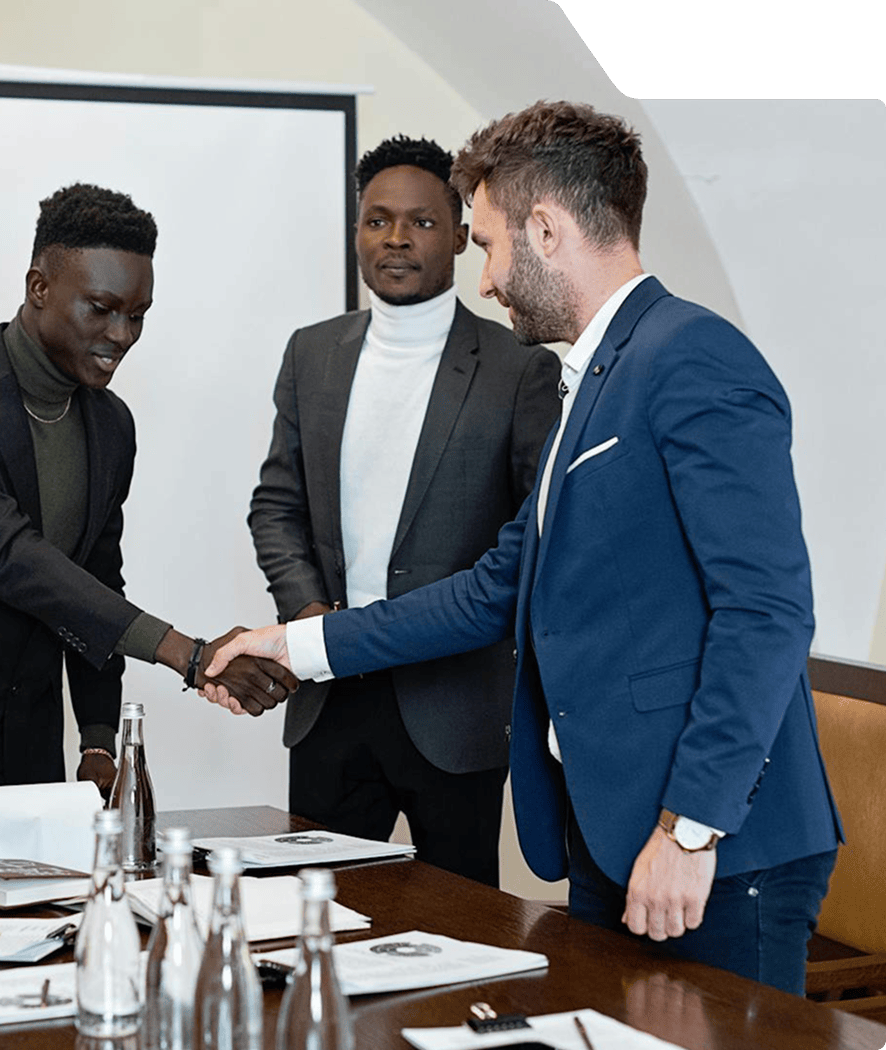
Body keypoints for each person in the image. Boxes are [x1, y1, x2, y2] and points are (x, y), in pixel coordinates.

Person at [206, 101, 842, 994]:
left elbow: (766, 611)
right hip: (612, 832)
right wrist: (295, 645)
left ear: (546, 230)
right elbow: (493, 588)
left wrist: (691, 828)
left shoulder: (693, 356)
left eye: (491, 246)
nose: (488, 279)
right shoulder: (593, 375)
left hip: (715, 849)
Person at [0, 183, 296, 832]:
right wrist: (187, 654)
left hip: (25, 756)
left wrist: (96, 739)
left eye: (138, 315)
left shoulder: (111, 425)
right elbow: (12, 558)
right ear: (39, 287)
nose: (122, 335)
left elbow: (94, 583)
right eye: (102, 309)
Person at [248, 135, 560, 885]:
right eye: (377, 220)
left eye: (421, 222)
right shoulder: (311, 353)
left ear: (459, 236)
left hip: (454, 706)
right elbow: (276, 505)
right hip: (329, 699)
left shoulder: (520, 366)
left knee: (460, 921)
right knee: (308, 914)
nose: (395, 238)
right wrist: (311, 617)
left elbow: (536, 536)